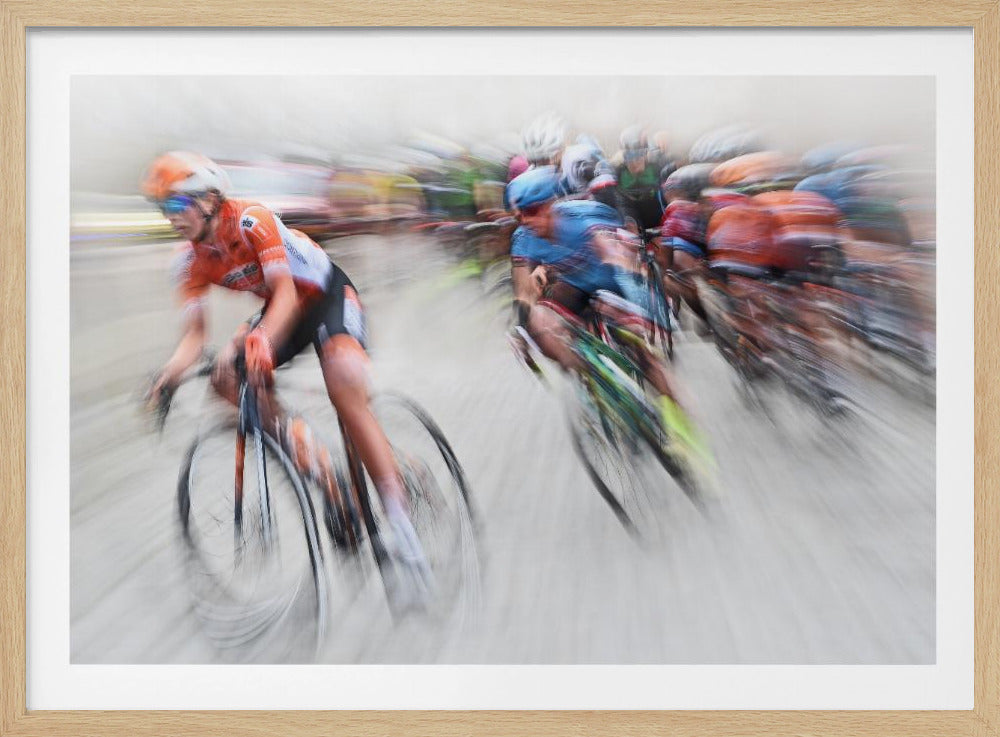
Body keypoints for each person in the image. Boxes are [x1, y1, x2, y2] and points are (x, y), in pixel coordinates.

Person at [141, 151, 430, 604]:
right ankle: (319, 469)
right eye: (164, 209)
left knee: (343, 382)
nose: (171, 218)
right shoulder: (188, 262)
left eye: (178, 206)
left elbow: (287, 295)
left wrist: (253, 341)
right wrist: (168, 377)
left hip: (324, 295)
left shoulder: (252, 221)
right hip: (283, 309)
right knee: (225, 379)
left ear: (210, 199)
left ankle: (400, 521)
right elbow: (193, 338)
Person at [505, 167, 709, 461]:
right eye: (519, 215)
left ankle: (685, 426)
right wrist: (523, 332)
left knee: (641, 351)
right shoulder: (523, 238)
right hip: (576, 282)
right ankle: (594, 381)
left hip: (615, 277)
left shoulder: (583, 224)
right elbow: (523, 293)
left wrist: (635, 315)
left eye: (533, 211)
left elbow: (625, 267)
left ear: (551, 205)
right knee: (538, 324)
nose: (526, 220)